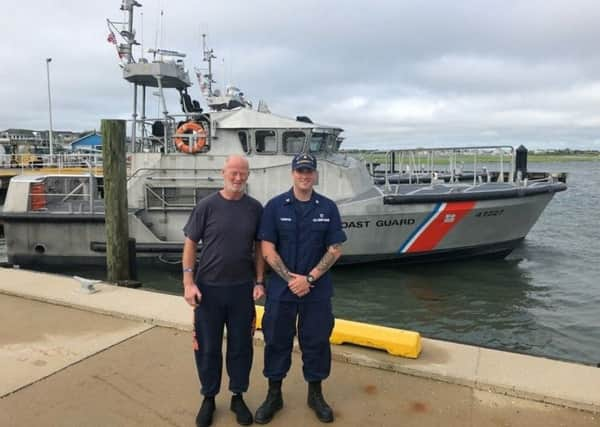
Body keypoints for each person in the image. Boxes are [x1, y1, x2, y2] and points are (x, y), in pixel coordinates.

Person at [255, 153, 346, 424]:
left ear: (315, 174)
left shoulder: (328, 208)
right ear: (292, 173)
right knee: (276, 341)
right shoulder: (274, 207)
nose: (305, 176)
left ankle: (315, 394)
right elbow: (267, 248)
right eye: (300, 171)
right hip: (282, 291)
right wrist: (290, 279)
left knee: (317, 341)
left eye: (309, 171)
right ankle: (274, 395)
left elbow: (335, 249)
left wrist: (310, 278)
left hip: (316, 291)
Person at [182, 155, 265, 427]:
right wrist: (188, 283)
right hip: (208, 290)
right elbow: (191, 244)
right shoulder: (206, 206)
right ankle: (208, 397)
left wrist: (260, 281)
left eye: (243, 173)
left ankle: (237, 395)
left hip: (242, 290)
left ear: (248, 175)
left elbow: (258, 249)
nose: (238, 177)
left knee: (241, 347)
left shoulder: (255, 209)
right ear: (223, 173)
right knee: (207, 348)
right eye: (233, 172)